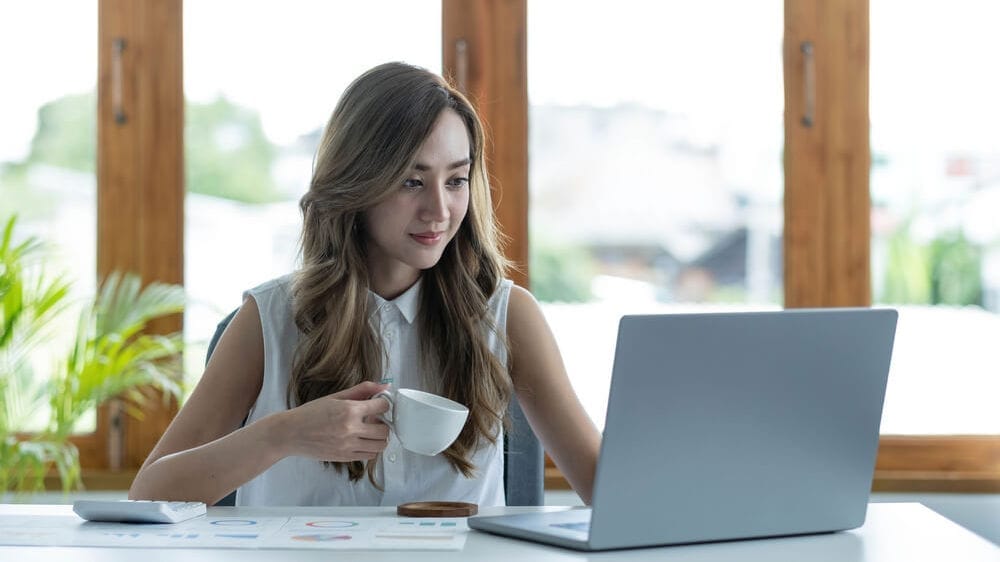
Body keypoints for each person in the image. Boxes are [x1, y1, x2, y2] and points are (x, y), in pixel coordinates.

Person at [129, 62, 601, 507]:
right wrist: (282, 434)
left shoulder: (506, 314)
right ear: (358, 183)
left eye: (456, 180)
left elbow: (604, 486)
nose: (439, 210)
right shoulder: (268, 318)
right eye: (412, 182)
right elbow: (149, 495)